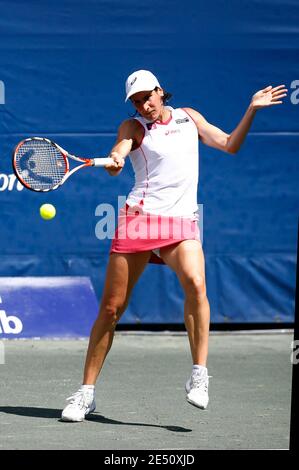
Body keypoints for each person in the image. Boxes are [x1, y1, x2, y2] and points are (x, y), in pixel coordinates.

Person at [61, 70, 287, 421]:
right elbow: (120, 149)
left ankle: (199, 374)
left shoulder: (189, 117)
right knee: (111, 309)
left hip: (181, 222)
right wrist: (117, 159)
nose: (144, 104)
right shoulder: (133, 127)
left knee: (196, 284)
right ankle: (85, 393)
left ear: (160, 91)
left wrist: (252, 108)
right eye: (136, 101)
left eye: (147, 96)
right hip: (139, 220)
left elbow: (229, 144)